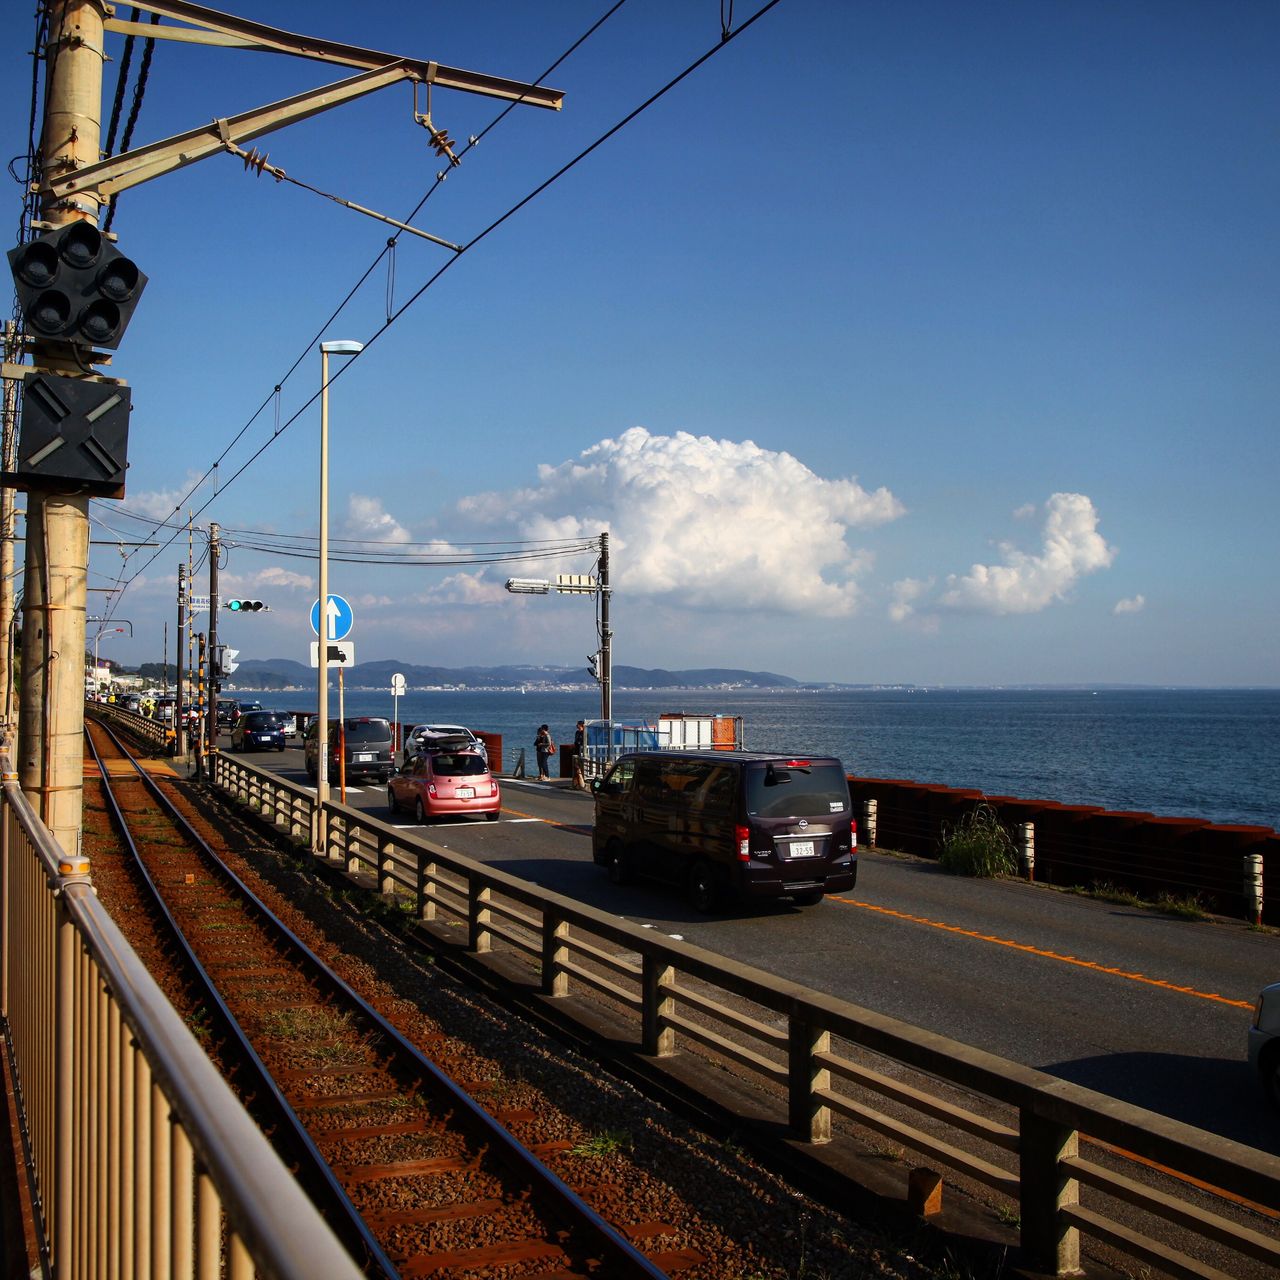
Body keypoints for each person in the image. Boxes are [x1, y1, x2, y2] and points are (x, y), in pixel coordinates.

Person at [572, 720, 586, 790]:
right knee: (576, 766)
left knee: (580, 765)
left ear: (581, 725)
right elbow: (576, 741)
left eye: (578, 724)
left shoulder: (584, 733)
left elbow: (585, 741)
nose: (576, 725)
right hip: (576, 750)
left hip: (582, 750)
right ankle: (576, 781)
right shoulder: (577, 732)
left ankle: (581, 780)